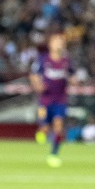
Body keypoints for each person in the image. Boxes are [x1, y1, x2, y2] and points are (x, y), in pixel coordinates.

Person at [29, 32, 76, 167]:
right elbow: (33, 75)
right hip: (45, 100)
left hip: (60, 100)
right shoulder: (43, 59)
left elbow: (73, 76)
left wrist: (74, 81)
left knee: (58, 126)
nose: (59, 44)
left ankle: (54, 154)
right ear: (50, 44)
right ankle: (42, 131)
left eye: (62, 42)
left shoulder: (66, 61)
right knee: (44, 128)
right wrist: (38, 85)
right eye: (57, 42)